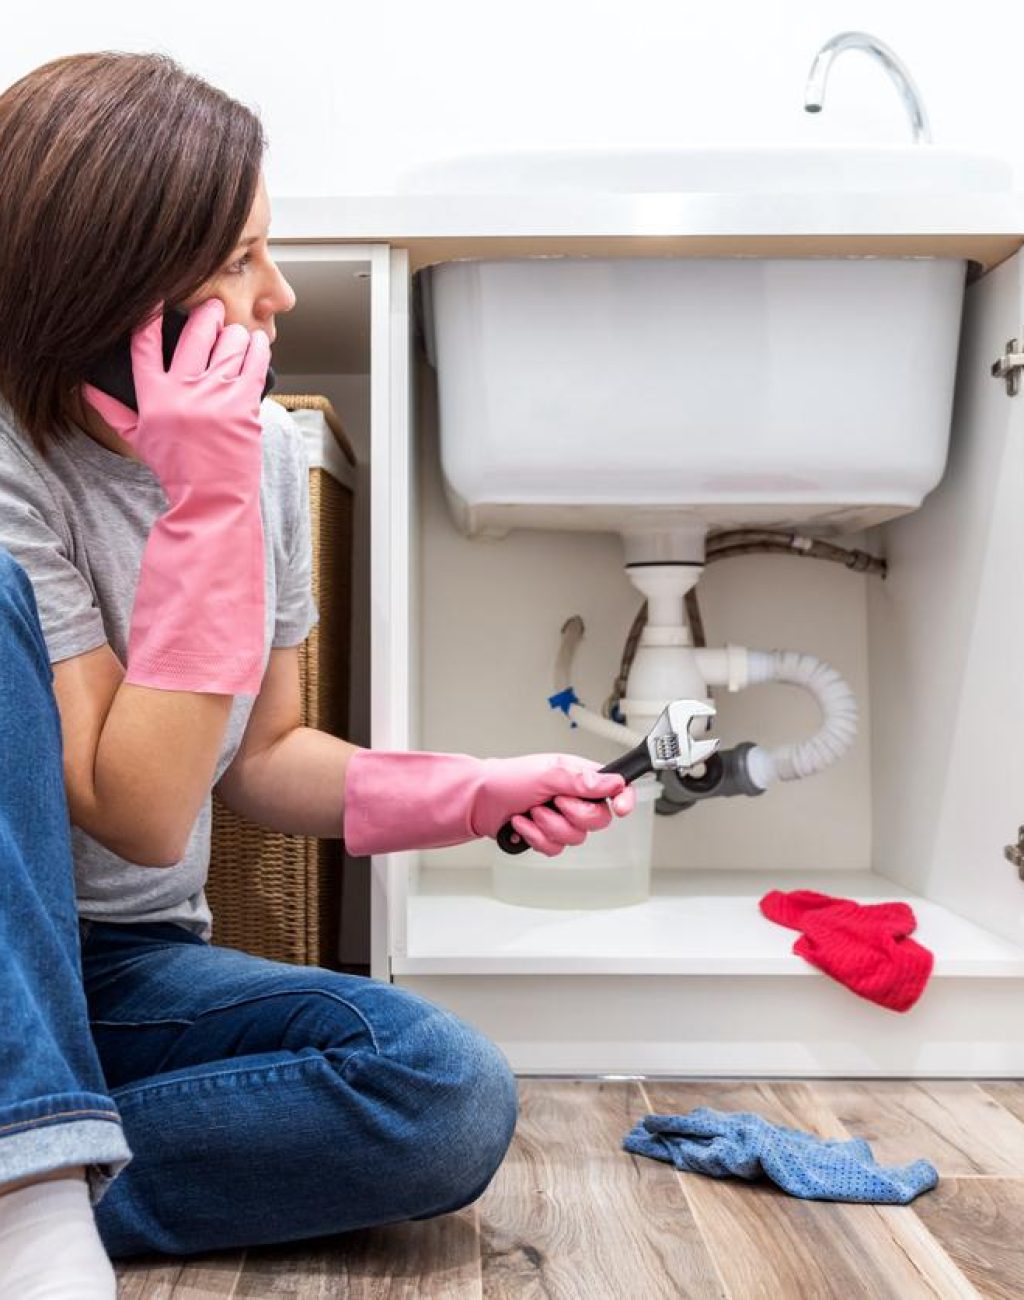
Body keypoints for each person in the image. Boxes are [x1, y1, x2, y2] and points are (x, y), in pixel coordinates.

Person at [0, 50, 635, 1297]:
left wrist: (471, 792)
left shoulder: (263, 460)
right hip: (22, 944)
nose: (278, 294)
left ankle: (37, 1153)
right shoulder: (19, 461)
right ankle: (32, 1200)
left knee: (440, 1093)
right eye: (240, 259)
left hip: (121, 970)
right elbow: (134, 806)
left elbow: (266, 755)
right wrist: (201, 513)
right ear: (115, 276)